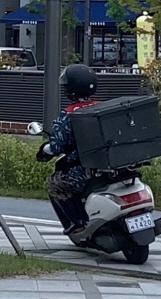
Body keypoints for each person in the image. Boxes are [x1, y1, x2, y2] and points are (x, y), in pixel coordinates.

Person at [37, 64, 97, 235]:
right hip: (110, 167)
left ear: (71, 89)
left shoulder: (69, 114)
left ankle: (77, 223)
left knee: (55, 184)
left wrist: (45, 150)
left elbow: (57, 146)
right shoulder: (102, 107)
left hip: (85, 169)